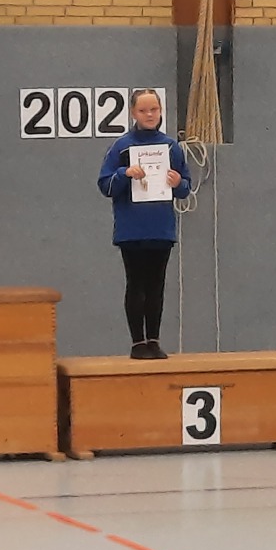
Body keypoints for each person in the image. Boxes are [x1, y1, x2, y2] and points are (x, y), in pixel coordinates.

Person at [97, 89, 191, 358]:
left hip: (161, 228)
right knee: (136, 284)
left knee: (156, 286)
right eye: (143, 110)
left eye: (154, 110)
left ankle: (154, 340)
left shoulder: (171, 147)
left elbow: (185, 186)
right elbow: (105, 185)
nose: (149, 115)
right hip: (132, 230)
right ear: (133, 113)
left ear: (161, 111)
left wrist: (177, 182)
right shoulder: (121, 147)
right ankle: (138, 342)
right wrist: (124, 173)